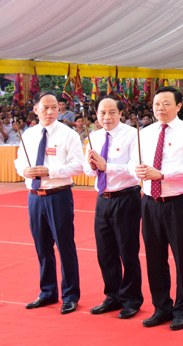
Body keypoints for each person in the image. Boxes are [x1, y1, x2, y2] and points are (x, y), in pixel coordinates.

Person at [133, 87, 183, 330]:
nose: (159, 108)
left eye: (166, 104)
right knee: (154, 258)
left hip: (177, 203)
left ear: (179, 106)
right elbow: (134, 162)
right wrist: (138, 171)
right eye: (156, 104)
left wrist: (162, 174)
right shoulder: (145, 132)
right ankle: (161, 307)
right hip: (150, 202)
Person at [14, 90, 84, 314]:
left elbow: (78, 166)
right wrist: (24, 170)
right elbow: (19, 161)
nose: (50, 111)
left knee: (65, 246)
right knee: (42, 247)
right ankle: (47, 292)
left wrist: (50, 171)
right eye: (45, 107)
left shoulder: (68, 134)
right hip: (34, 197)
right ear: (35, 110)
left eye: (55, 107)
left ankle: (70, 294)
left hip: (58, 194)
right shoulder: (29, 134)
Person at [83, 96, 143, 319]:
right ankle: (113, 295)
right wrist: (91, 166)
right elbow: (88, 170)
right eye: (101, 113)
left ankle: (132, 298)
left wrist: (107, 166)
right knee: (105, 251)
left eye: (111, 112)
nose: (106, 117)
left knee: (127, 251)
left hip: (126, 197)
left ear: (120, 113)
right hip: (102, 198)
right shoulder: (95, 136)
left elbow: (135, 167)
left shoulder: (131, 135)